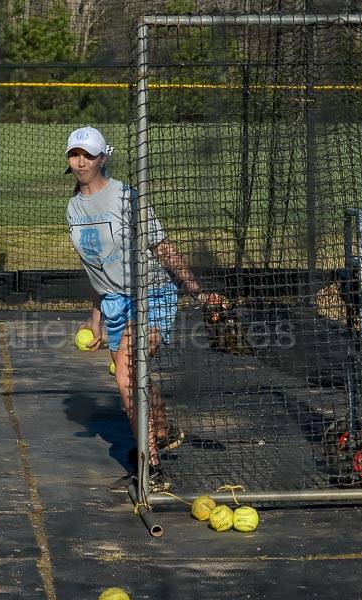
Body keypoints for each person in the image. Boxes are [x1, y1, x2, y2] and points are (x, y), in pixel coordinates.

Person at [65, 126, 221, 492]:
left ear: (103, 158)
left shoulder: (126, 198)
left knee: (126, 375)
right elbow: (94, 265)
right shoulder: (73, 208)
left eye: (88, 154)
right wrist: (97, 318)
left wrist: (197, 292)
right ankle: (164, 432)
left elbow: (163, 248)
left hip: (150, 294)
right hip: (114, 302)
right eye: (75, 154)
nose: (81, 161)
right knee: (137, 377)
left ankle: (151, 469)